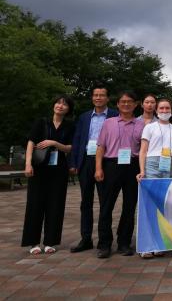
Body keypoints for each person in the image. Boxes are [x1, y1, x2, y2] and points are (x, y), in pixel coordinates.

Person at [22, 95, 75, 255]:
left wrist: (54, 143)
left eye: (64, 104)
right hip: (39, 168)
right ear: (54, 105)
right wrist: (28, 163)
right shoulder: (41, 122)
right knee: (35, 204)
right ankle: (33, 242)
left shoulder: (70, 125)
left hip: (59, 169)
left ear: (68, 109)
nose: (60, 106)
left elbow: (70, 148)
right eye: (58, 103)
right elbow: (31, 142)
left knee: (56, 204)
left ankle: (50, 241)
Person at [95, 91, 144, 258]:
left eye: (130, 101)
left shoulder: (141, 124)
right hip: (111, 165)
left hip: (133, 166)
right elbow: (100, 146)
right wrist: (98, 168)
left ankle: (124, 242)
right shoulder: (108, 123)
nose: (126, 104)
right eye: (123, 101)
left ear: (135, 104)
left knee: (129, 207)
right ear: (117, 104)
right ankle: (104, 244)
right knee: (106, 205)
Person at [69, 85, 118, 253]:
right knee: (86, 202)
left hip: (106, 161)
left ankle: (105, 241)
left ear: (107, 98)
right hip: (85, 162)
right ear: (92, 98)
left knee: (105, 202)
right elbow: (77, 140)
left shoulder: (114, 115)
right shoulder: (84, 117)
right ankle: (86, 238)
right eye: (95, 95)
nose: (98, 98)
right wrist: (74, 163)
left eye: (102, 95)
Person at [136, 98, 172, 258]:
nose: (164, 110)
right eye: (161, 108)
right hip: (152, 164)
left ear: (171, 109)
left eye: (167, 108)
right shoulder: (149, 127)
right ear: (156, 110)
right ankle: (146, 245)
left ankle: (160, 243)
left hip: (169, 164)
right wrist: (142, 170)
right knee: (149, 205)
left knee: (163, 203)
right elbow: (143, 150)